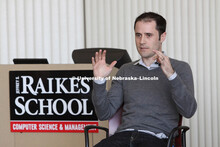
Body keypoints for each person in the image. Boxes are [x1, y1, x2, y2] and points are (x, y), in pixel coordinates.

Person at [91, 12, 197, 147]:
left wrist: (171, 75)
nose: (142, 41)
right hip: (122, 137)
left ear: (162, 36)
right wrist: (99, 81)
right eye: (138, 35)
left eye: (149, 35)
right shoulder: (126, 70)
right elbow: (104, 113)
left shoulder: (180, 68)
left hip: (155, 139)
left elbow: (189, 111)